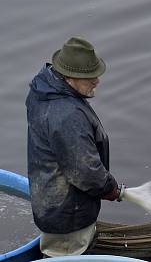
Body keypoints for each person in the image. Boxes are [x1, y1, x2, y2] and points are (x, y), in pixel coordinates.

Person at [26, 36, 123, 257]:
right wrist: (109, 188)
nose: (97, 80)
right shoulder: (67, 115)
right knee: (66, 255)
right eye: (90, 77)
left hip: (49, 199)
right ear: (69, 78)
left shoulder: (42, 90)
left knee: (57, 248)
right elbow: (85, 171)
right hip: (68, 211)